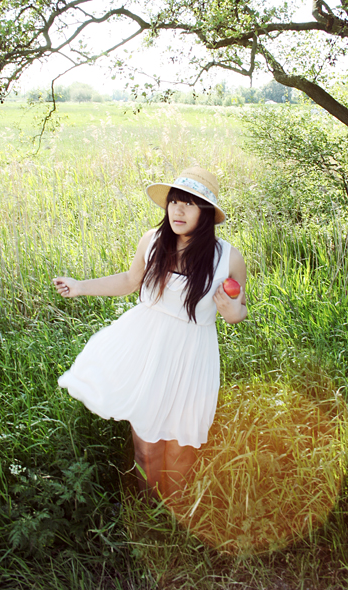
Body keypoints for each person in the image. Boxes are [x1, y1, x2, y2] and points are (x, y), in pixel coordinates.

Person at [53, 166, 247, 500]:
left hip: (192, 355)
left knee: (180, 449)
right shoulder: (153, 240)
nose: (178, 210)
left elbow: (238, 309)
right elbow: (129, 282)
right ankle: (147, 506)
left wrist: (232, 311)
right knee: (146, 446)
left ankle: (175, 513)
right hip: (147, 348)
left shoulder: (228, 258)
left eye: (189, 204)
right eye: (174, 202)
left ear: (206, 213)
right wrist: (80, 286)